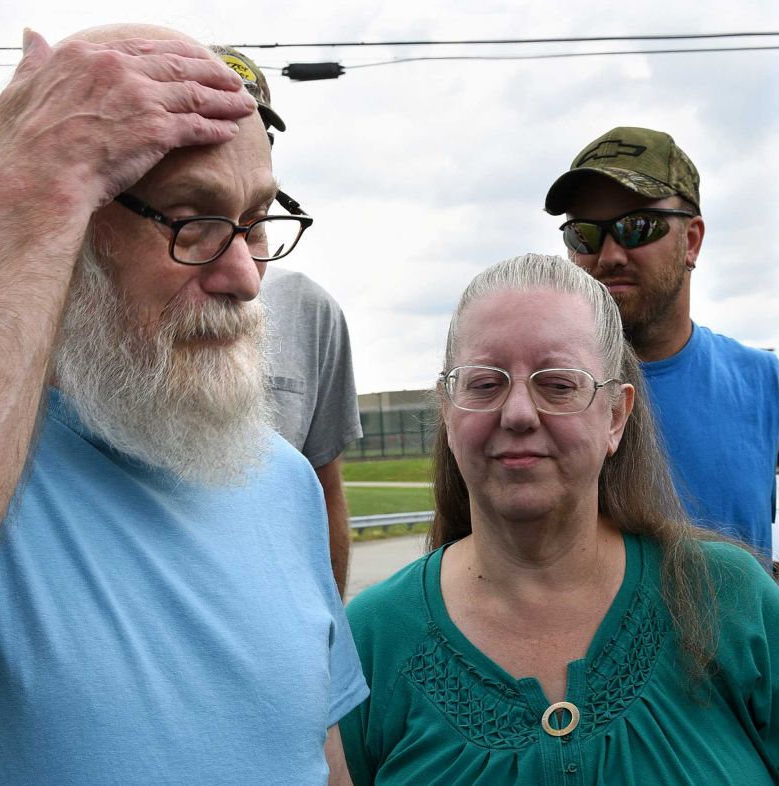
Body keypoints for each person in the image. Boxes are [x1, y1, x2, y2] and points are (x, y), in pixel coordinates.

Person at [0, 24, 367, 784]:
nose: (245, 276)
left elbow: (315, 758)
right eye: (195, 220)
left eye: (257, 222)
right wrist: (34, 169)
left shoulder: (282, 482)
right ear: (71, 227)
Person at [331, 254, 778, 784]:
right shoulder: (373, 639)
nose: (518, 413)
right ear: (448, 411)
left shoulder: (729, 598)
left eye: (558, 384)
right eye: (485, 382)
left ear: (615, 415)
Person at [544, 127, 779, 560]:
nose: (610, 255)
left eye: (637, 227)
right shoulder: (536, 393)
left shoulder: (765, 383)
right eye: (585, 235)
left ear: (691, 241)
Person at [211, 45, 363, 598]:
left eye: (248, 127)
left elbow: (324, 492)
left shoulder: (307, 310)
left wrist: (332, 641)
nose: (243, 275)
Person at [262, 265, 362, 596]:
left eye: (255, 224)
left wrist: (332, 633)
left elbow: (326, 488)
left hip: (276, 618)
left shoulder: (306, 307)